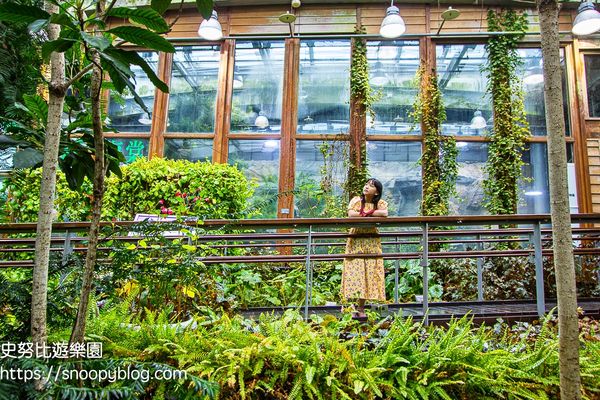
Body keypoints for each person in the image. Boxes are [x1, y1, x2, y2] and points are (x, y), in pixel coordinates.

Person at [341, 178, 388, 319]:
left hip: (371, 241)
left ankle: (361, 307)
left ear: (377, 192)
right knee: (354, 271)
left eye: (371, 186)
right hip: (356, 240)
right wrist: (372, 214)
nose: (367, 187)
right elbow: (351, 214)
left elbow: (384, 213)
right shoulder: (356, 200)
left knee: (368, 272)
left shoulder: (380, 203)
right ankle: (349, 306)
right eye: (366, 184)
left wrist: (364, 214)